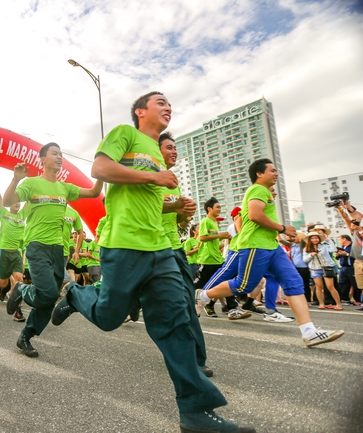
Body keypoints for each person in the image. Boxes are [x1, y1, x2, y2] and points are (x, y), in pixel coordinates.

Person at [50, 92, 252, 433]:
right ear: (140, 111)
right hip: (124, 245)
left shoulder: (159, 159)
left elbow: (150, 204)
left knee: (177, 323)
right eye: (160, 102)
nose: (168, 106)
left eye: (170, 103)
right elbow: (100, 169)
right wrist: (154, 178)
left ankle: (195, 412)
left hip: (160, 250)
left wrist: (175, 207)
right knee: (109, 317)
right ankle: (74, 295)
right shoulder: (124, 136)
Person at [197, 158, 344, 347]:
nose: (276, 173)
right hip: (255, 245)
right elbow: (255, 215)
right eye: (272, 170)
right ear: (259, 174)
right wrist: (283, 228)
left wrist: (281, 234)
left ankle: (309, 332)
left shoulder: (265, 193)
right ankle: (202, 296)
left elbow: (264, 217)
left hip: (272, 247)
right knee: (244, 285)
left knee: (293, 281)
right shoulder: (257, 189)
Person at [4, 142, 103, 358]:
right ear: (42, 159)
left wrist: (102, 170)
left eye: (61, 154)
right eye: (55, 154)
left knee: (49, 298)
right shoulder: (31, 183)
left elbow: (95, 191)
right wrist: (16, 179)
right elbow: (7, 201)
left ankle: (25, 337)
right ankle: (21, 289)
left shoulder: (65, 188)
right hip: (37, 246)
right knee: (48, 293)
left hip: (59, 250)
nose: (59, 157)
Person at [159, 132, 213, 377]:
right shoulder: (147, 177)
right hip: (150, 250)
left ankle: (196, 359)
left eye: (176, 148)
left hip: (174, 248)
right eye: (169, 147)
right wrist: (174, 206)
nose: (174, 151)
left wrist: (183, 213)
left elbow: (176, 219)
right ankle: (76, 296)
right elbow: (142, 207)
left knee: (185, 303)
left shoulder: (174, 183)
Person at [0, 166, 27, 321]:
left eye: (19, 201)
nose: (17, 203)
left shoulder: (23, 215)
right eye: (14, 201)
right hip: (4, 252)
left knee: (19, 280)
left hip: (16, 253)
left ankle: (18, 311)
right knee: (2, 284)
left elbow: (31, 199)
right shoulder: (3, 213)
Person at [197, 197, 247, 319]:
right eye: (217, 207)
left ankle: (232, 309)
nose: (220, 209)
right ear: (209, 209)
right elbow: (202, 238)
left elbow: (212, 238)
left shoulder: (214, 223)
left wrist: (223, 238)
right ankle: (189, 302)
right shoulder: (206, 221)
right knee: (200, 285)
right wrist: (220, 235)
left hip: (217, 259)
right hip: (207, 259)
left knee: (225, 282)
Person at [303, 232, 343, 310]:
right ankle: (321, 303)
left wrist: (328, 241)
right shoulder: (306, 249)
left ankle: (338, 304)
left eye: (316, 238)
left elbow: (333, 250)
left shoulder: (324, 246)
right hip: (315, 268)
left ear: (319, 239)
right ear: (309, 240)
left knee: (330, 286)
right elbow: (304, 260)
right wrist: (311, 255)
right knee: (318, 287)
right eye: (312, 238)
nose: (314, 240)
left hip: (326, 267)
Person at [335, 234, 358, 305]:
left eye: (340, 239)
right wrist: (338, 255)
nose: (339, 241)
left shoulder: (353, 246)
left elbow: (356, 255)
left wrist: (347, 254)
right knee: (343, 283)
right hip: (343, 267)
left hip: (351, 266)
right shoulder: (342, 247)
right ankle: (345, 299)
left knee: (354, 283)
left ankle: (357, 300)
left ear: (344, 239)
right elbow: (338, 258)